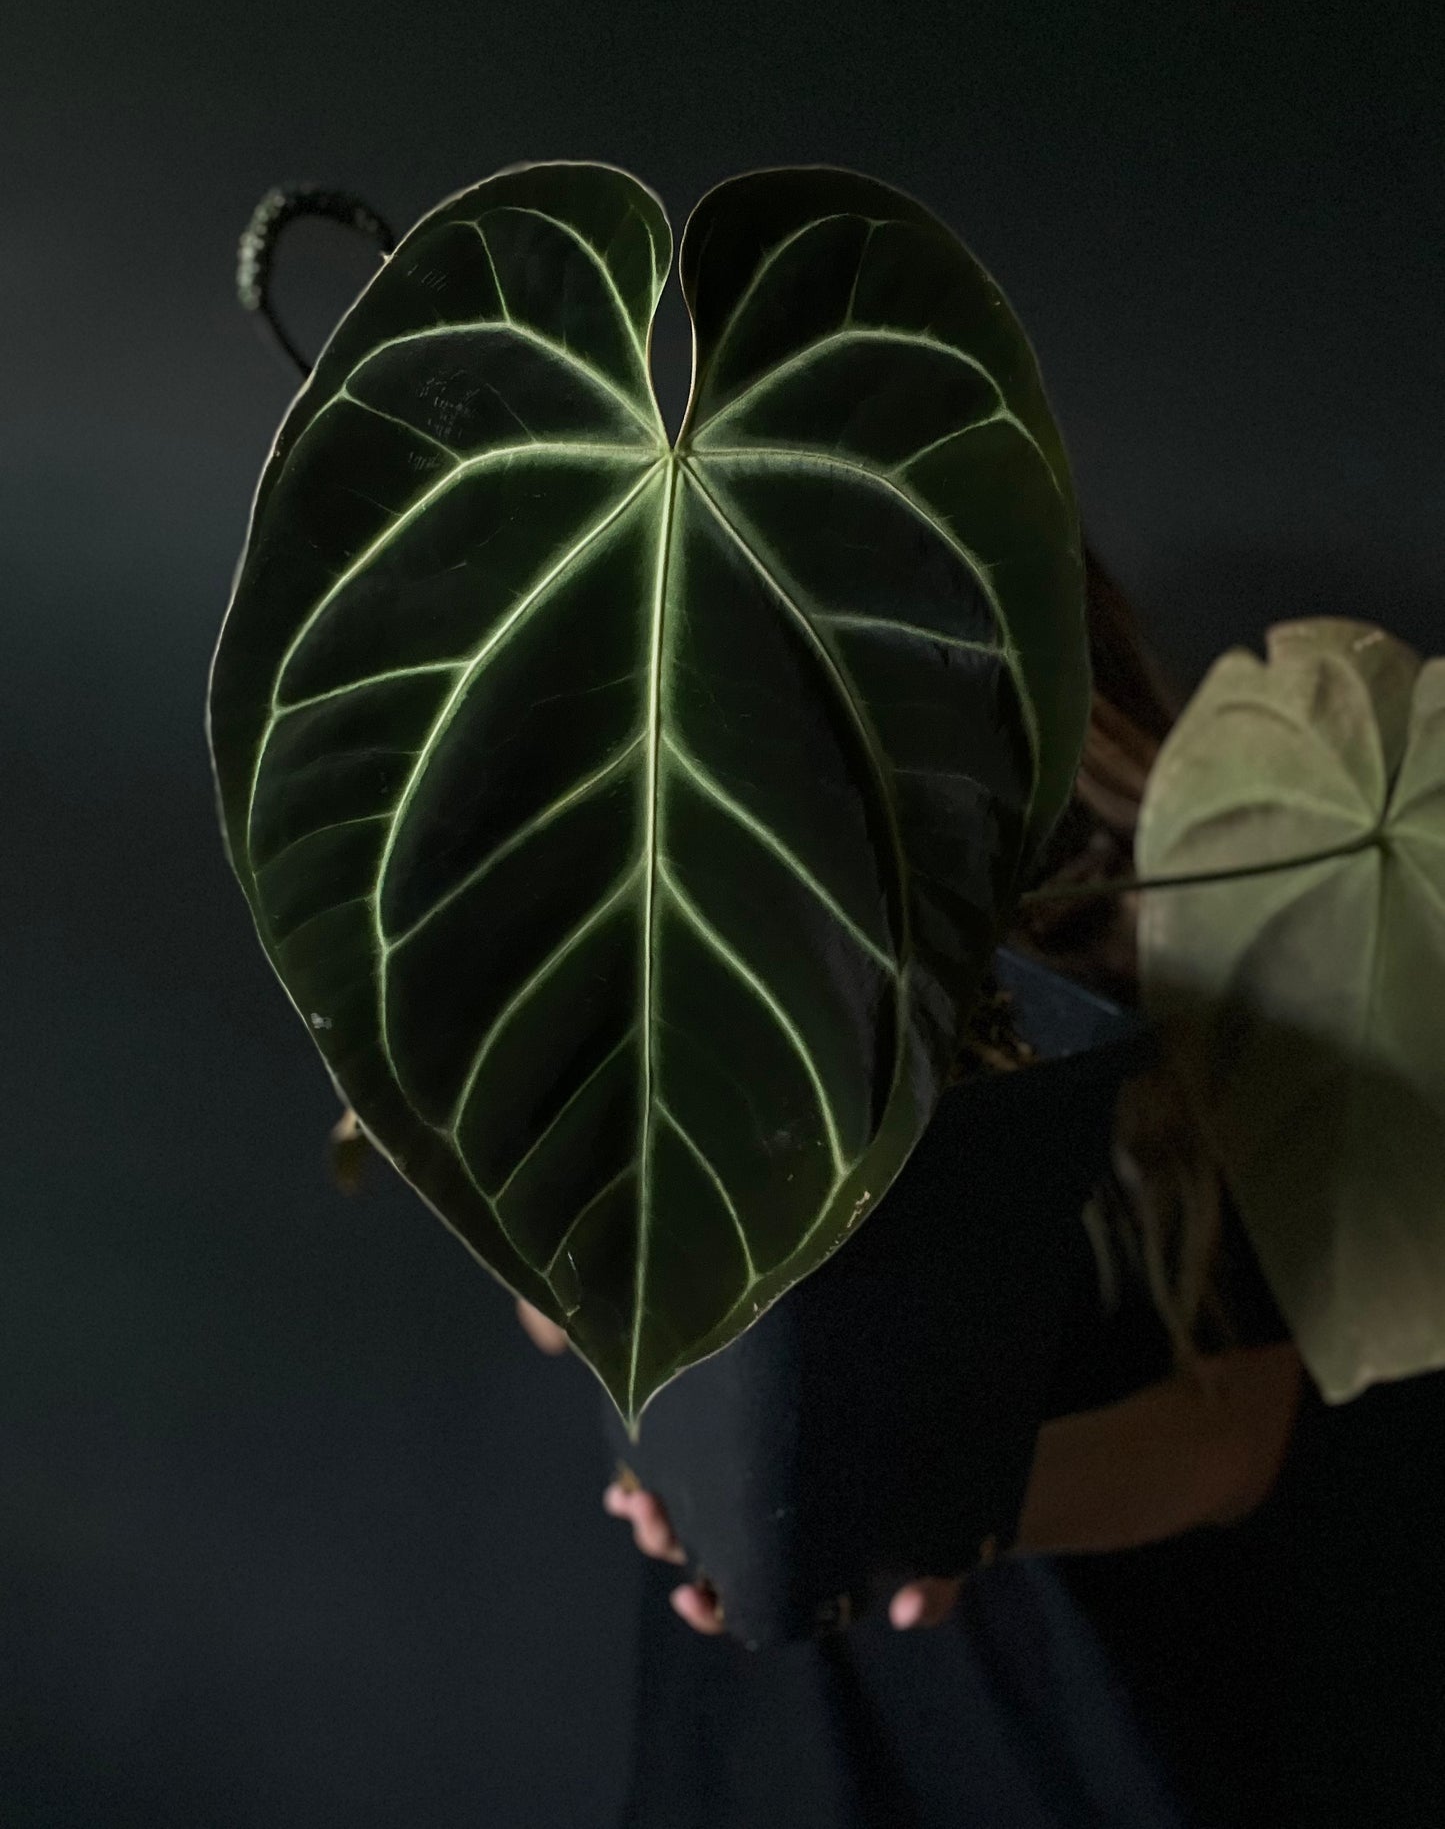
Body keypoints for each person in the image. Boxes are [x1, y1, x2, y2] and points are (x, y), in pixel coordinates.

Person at [516, 543, 1326, 1826]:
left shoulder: (1172, 950)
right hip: (760, 1730)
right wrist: (670, 1444)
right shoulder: (682, 930)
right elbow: (554, 1308)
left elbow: (1237, 1430)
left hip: (1056, 1717)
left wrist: (942, 1511)